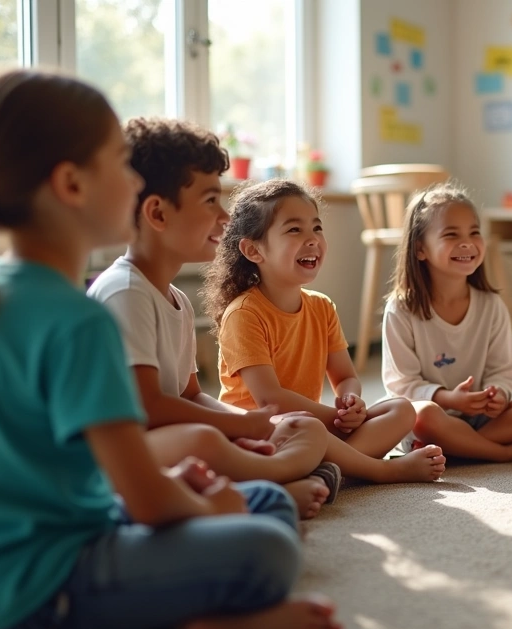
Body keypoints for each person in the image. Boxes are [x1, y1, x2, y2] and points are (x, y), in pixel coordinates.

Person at [0, 67, 339, 629]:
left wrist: (187, 485)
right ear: (71, 185)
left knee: (264, 499)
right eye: (120, 162)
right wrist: (207, 507)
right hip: (35, 590)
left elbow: (77, 467)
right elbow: (145, 498)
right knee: (265, 545)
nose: (134, 179)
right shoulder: (81, 319)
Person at [88, 117, 338, 519]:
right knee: (206, 439)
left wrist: (253, 422)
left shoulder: (176, 300)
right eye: (209, 201)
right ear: (157, 213)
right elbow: (148, 407)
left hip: (171, 443)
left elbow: (190, 395)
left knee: (300, 425)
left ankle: (266, 475)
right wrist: (237, 430)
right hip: (123, 457)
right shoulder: (126, 291)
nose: (224, 217)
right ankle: (273, 478)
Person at [204, 179, 445, 483]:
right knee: (309, 429)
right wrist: (332, 418)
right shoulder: (243, 314)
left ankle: (330, 469)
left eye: (316, 228)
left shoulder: (322, 307)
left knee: (401, 409)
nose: (312, 239)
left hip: (314, 425)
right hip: (265, 433)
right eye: (294, 229)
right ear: (253, 250)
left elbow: (345, 377)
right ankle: (380, 470)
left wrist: (350, 402)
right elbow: (270, 400)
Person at [382, 182, 512, 462]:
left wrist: (497, 393)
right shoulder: (401, 309)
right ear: (420, 250)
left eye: (474, 232)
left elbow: (504, 370)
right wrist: (448, 399)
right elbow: (402, 384)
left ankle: (458, 449)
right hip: (427, 422)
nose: (467, 242)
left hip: (479, 419)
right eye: (451, 234)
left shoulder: (491, 305)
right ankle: (502, 454)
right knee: (424, 415)